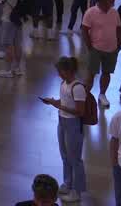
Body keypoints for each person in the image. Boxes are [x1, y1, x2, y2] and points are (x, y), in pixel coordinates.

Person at [39, 56, 89, 203]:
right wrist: (54, 102)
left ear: (69, 71)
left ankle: (77, 191)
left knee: (75, 158)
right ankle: (68, 183)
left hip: (73, 124)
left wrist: (59, 106)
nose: (58, 74)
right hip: (62, 121)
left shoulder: (78, 87)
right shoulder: (63, 84)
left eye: (60, 71)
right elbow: (65, 101)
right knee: (65, 155)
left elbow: (80, 111)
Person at [81, 0, 121, 107]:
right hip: (96, 48)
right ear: (103, 0)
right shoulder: (91, 12)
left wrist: (118, 45)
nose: (113, 1)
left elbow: (119, 28)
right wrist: (89, 45)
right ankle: (85, 96)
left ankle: (102, 95)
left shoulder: (114, 12)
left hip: (112, 49)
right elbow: (84, 29)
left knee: (106, 73)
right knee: (91, 73)